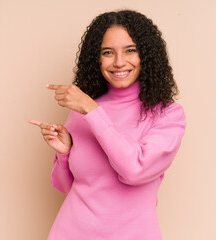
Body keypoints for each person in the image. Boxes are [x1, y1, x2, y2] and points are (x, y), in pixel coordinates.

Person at [29, 9, 186, 240]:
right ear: (97, 58)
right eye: (108, 52)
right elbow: (67, 187)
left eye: (130, 50)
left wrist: (92, 110)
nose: (119, 62)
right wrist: (65, 154)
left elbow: (134, 171)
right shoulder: (83, 111)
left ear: (147, 55)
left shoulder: (167, 115)